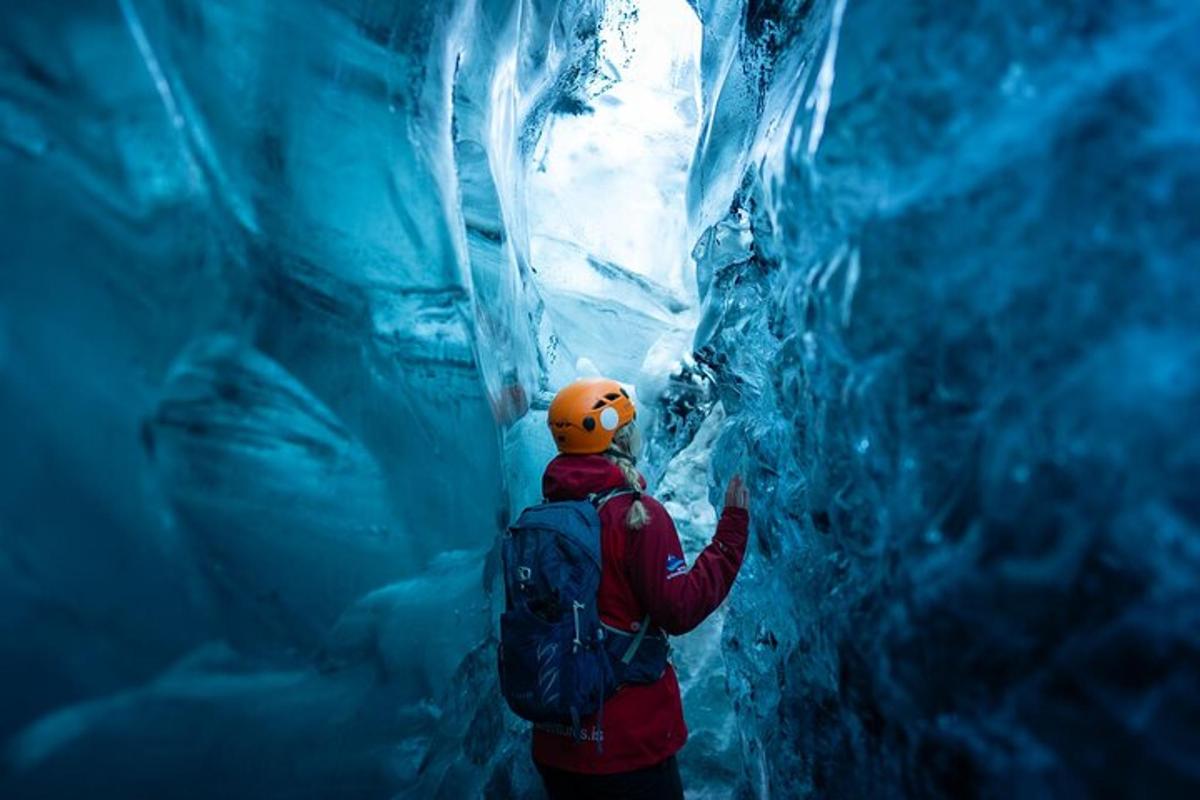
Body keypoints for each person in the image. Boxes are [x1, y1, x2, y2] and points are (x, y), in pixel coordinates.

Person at [533, 377, 750, 800]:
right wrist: (730, 537)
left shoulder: (544, 517)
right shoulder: (635, 515)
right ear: (620, 435)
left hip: (555, 742)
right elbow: (679, 609)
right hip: (627, 746)